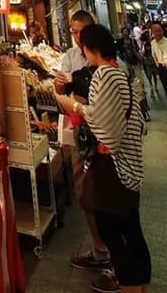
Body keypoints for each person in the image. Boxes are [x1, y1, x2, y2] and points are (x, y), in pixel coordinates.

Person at [57, 24, 150, 293]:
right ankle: (140, 285)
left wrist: (72, 105)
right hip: (128, 165)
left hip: (114, 166)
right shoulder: (118, 72)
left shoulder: (104, 75)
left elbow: (101, 123)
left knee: (113, 229)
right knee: (131, 229)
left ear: (90, 48)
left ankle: (130, 285)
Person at [54, 10, 114, 285]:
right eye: (73, 31)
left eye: (81, 32)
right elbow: (61, 90)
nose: (77, 37)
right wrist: (59, 88)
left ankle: (118, 266)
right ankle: (101, 251)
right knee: (85, 193)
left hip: (105, 140)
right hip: (80, 134)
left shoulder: (108, 66)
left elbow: (101, 110)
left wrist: (77, 105)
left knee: (109, 198)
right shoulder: (70, 57)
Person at [148, 20, 167, 99]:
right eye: (156, 31)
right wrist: (157, 65)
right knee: (165, 86)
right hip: (161, 68)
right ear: (152, 32)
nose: (159, 33)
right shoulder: (153, 43)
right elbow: (153, 54)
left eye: (160, 30)